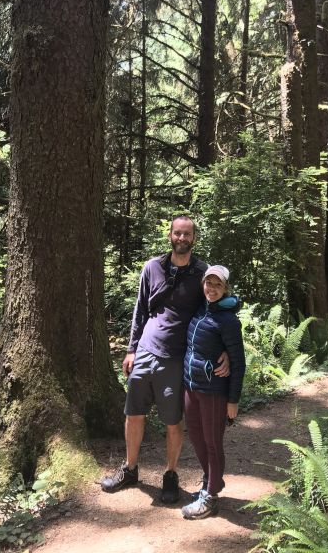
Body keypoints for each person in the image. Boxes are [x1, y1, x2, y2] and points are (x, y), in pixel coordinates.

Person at [100, 215, 229, 504]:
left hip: (175, 358)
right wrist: (132, 349)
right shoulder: (152, 268)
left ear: (194, 238)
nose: (182, 238)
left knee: (173, 420)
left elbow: (217, 310)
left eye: (187, 234)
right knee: (134, 414)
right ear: (169, 235)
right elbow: (140, 310)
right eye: (177, 233)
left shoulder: (203, 272)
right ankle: (130, 469)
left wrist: (224, 349)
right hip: (146, 350)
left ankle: (170, 474)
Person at [181, 264, 245, 520]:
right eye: (209, 283)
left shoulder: (228, 320)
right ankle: (209, 480)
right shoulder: (200, 309)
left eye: (218, 285)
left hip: (214, 391)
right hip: (191, 386)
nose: (212, 288)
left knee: (212, 442)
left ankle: (211, 496)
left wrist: (233, 401)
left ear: (225, 288)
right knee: (196, 438)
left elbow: (238, 362)